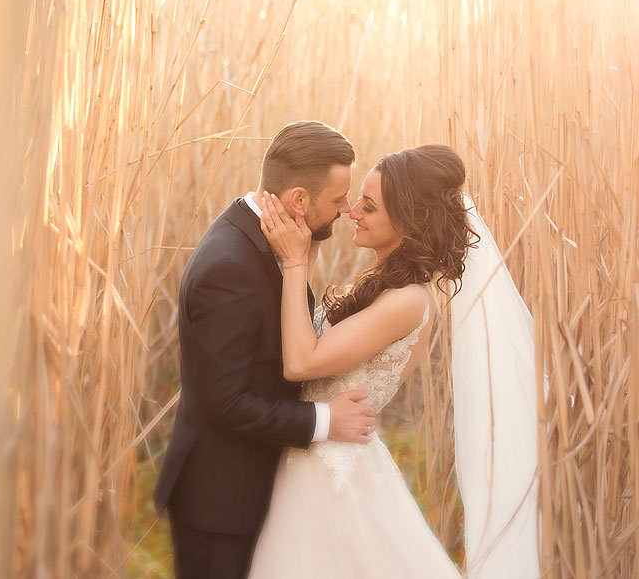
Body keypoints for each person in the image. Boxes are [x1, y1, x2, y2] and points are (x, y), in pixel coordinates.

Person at [247, 144, 539, 578]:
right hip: (312, 462)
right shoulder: (382, 287)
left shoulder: (408, 301)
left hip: (334, 478)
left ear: (407, 222)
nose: (353, 213)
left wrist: (293, 263)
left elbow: (302, 362)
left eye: (369, 206)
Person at [153, 121, 378, 579]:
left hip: (245, 489)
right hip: (219, 503)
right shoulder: (229, 267)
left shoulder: (266, 238)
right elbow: (225, 401)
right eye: (337, 200)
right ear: (298, 200)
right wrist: (326, 420)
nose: (345, 210)